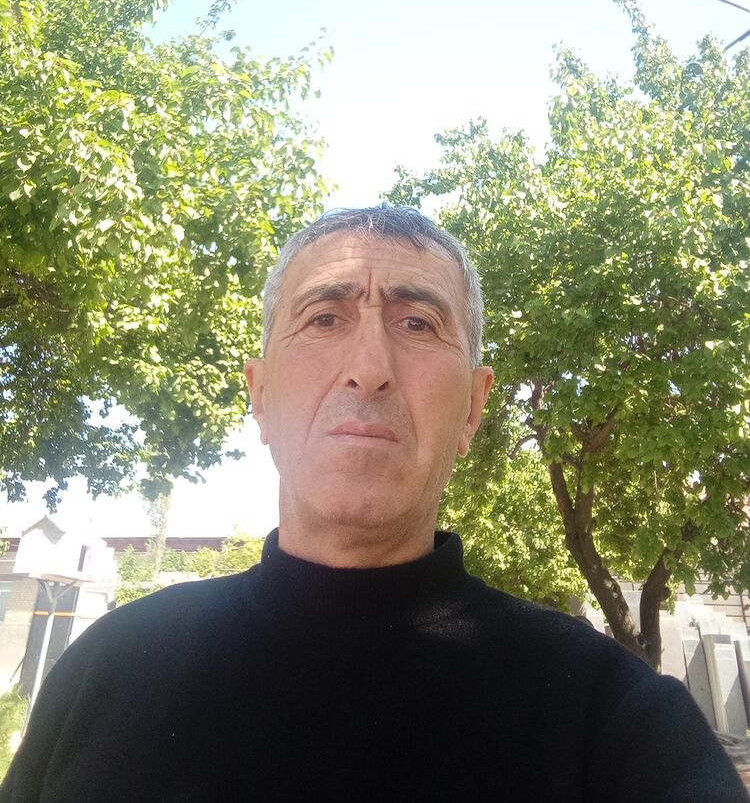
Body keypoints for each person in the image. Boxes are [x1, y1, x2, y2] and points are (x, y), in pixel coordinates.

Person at [1, 205, 747, 802]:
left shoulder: (616, 723)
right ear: (259, 395)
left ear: (472, 410)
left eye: (417, 323)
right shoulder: (104, 671)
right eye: (324, 318)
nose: (368, 368)